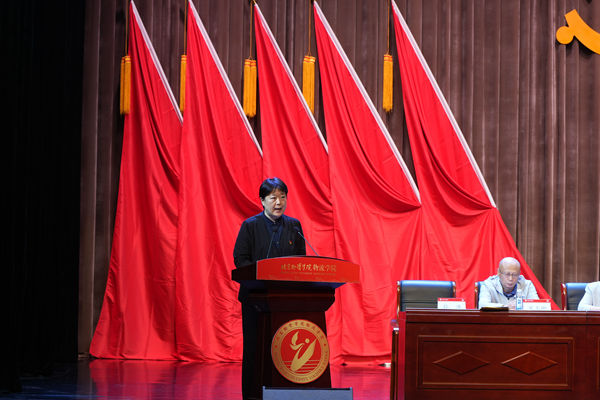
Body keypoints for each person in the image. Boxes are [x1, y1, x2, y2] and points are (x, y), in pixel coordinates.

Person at [233, 177, 306, 400]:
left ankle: (285, 395)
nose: (279, 202)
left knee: (285, 349)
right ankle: (252, 395)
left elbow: (301, 261)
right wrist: (259, 279)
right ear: (262, 200)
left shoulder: (294, 226)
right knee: (255, 349)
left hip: (286, 300)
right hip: (255, 300)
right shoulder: (250, 226)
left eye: (283, 197)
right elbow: (240, 259)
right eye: (273, 198)